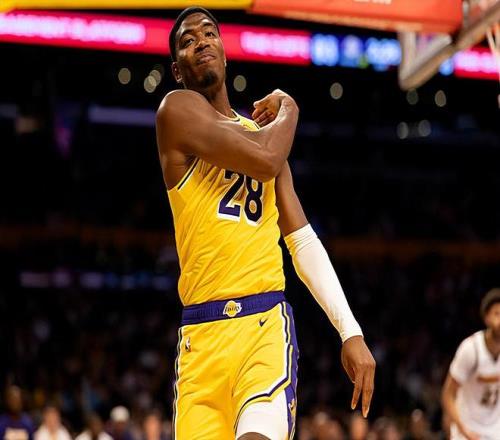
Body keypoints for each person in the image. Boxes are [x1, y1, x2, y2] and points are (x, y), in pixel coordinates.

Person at [155, 6, 375, 439]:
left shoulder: (265, 138)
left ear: (224, 51)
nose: (201, 42)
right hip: (200, 340)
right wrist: (289, 106)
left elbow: (302, 239)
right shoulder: (175, 110)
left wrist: (349, 330)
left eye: (209, 33)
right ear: (177, 70)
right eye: (187, 41)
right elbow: (267, 158)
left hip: (262, 326)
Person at [441, 288, 500, 440]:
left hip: (494, 430)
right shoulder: (471, 349)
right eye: (497, 314)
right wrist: (462, 429)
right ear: (486, 318)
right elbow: (448, 394)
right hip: (467, 429)